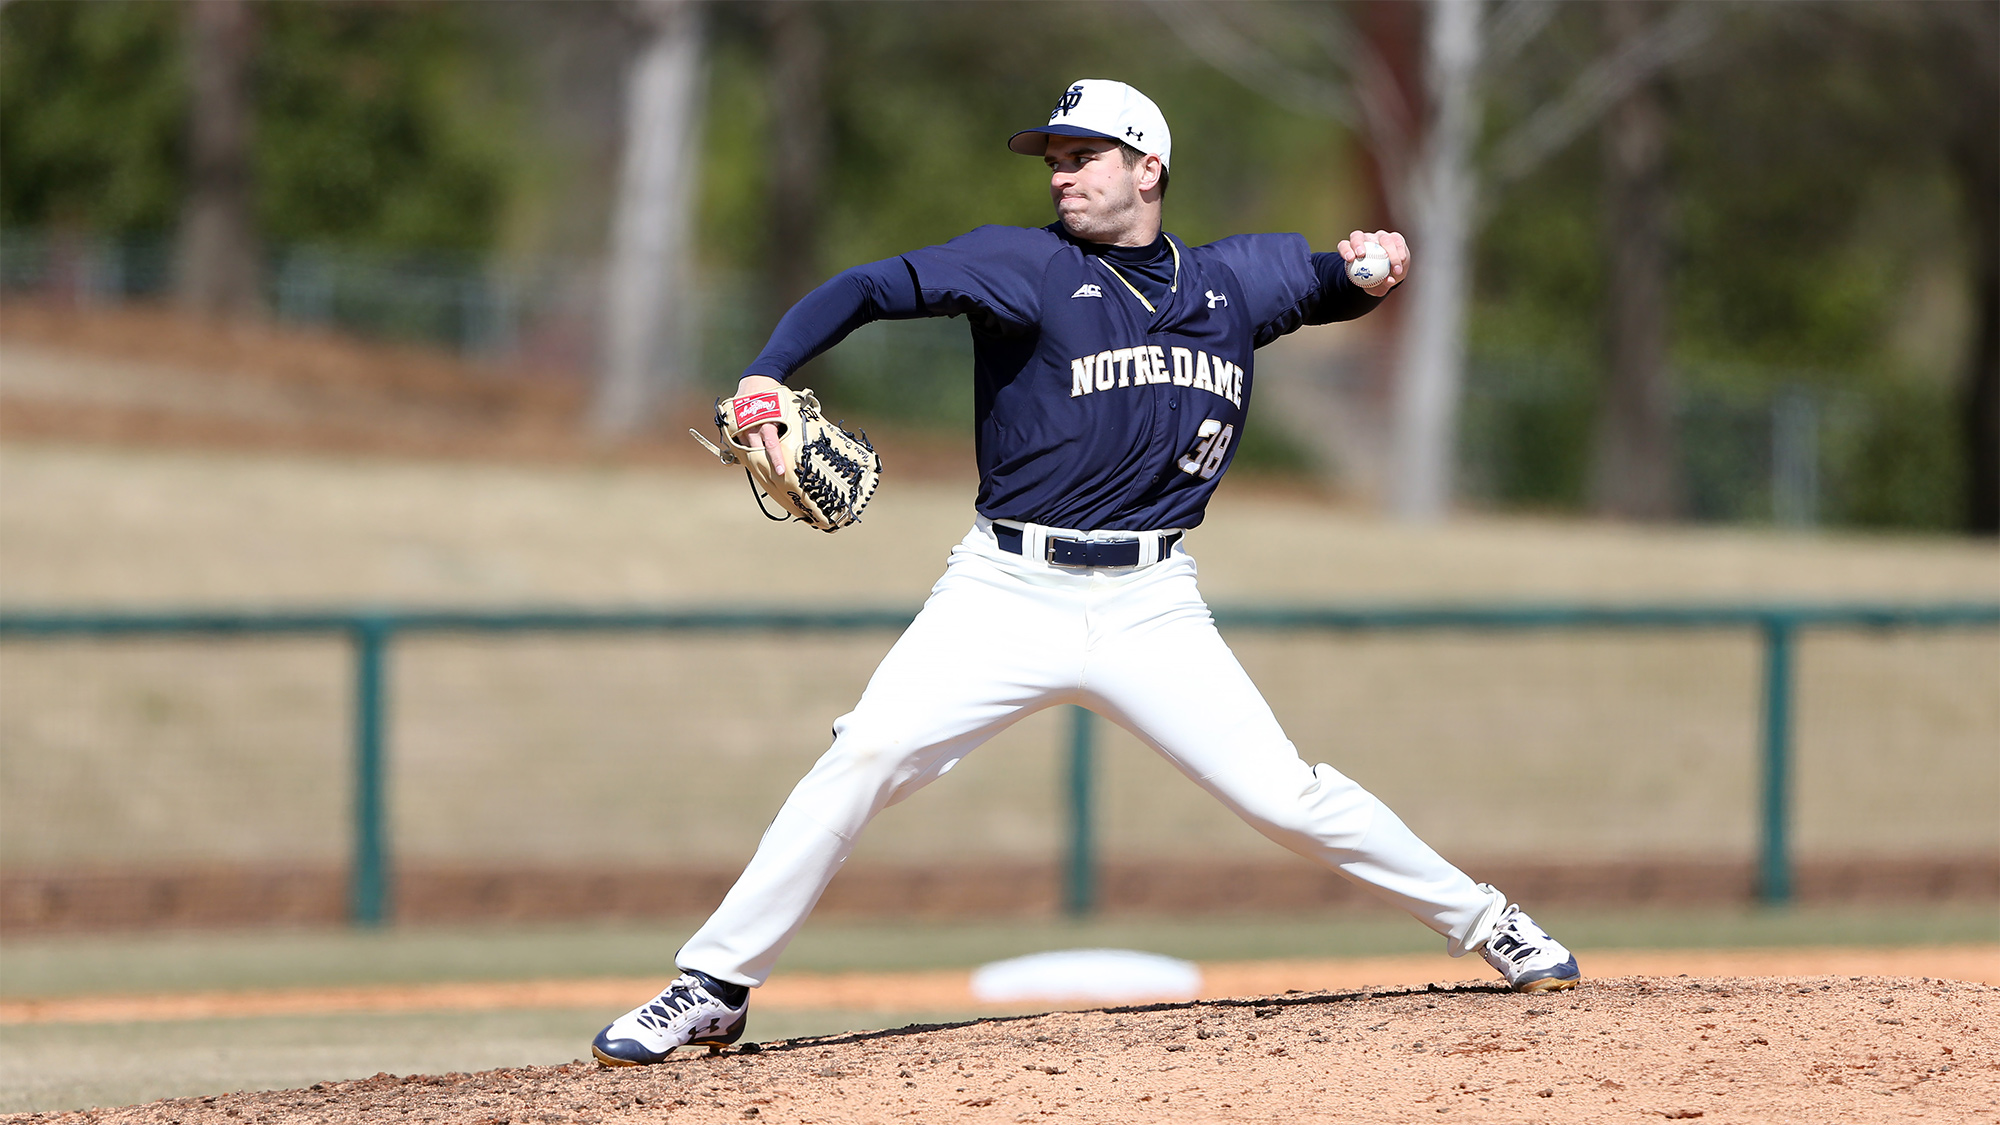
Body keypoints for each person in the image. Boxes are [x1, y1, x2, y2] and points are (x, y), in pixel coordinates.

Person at [591, 78, 1579, 1067]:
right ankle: (712, 985)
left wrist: (1366, 271)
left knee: (1286, 797)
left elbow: (1320, 280)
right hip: (1003, 590)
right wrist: (768, 369)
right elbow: (867, 287)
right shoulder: (1019, 264)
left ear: (1147, 168)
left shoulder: (1229, 281)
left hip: (1150, 603)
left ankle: (1492, 924)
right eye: (1053, 159)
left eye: (1083, 155)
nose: (1061, 174)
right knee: (862, 758)